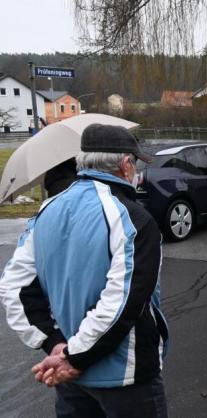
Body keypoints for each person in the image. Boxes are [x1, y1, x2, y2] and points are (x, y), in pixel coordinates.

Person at [0, 124, 169, 417]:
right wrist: (72, 357)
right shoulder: (133, 218)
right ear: (126, 165)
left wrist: (54, 346)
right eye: (136, 163)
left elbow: (15, 289)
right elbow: (122, 302)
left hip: (71, 377)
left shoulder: (46, 211)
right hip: (124, 377)